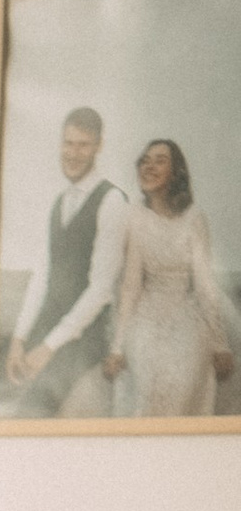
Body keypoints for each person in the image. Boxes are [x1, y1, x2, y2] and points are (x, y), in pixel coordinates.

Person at [0, 105, 125, 418]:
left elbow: (100, 291)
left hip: (86, 335)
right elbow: (42, 277)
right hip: (53, 326)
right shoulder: (58, 203)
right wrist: (19, 339)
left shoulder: (111, 201)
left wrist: (48, 347)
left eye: (83, 145)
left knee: (36, 411)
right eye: (68, 143)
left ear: (98, 146)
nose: (73, 153)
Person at [102, 137, 235, 419]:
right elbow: (131, 285)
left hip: (187, 314)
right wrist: (117, 347)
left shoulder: (195, 218)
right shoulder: (134, 217)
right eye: (145, 161)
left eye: (160, 161)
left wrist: (220, 344)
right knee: (148, 375)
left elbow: (204, 285)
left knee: (186, 373)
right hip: (145, 315)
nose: (149, 167)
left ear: (176, 173)